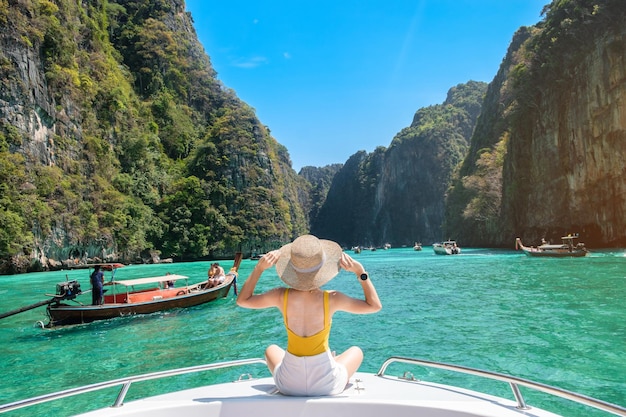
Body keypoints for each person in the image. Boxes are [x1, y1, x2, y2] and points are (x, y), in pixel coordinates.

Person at [236, 234, 382, 397]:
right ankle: (330, 362)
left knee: (271, 349)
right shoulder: (332, 299)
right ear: (323, 269)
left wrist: (259, 269)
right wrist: (360, 272)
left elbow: (243, 300)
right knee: (356, 351)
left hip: (289, 385)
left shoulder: (280, 296)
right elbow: (374, 305)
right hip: (326, 385)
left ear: (291, 268)